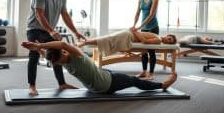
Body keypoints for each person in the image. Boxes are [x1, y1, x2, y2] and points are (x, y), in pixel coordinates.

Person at [21, 41, 177, 94]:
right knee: (133, 81)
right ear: (63, 51)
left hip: (93, 87)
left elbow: (49, 56)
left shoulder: (62, 62)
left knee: (109, 72)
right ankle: (162, 85)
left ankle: (130, 80)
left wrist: (37, 50)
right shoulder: (76, 56)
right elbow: (62, 44)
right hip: (106, 84)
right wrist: (39, 45)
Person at [26, 0, 86, 96]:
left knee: (57, 54)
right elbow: (39, 15)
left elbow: (65, 15)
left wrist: (75, 32)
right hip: (34, 28)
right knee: (34, 55)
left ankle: (62, 83)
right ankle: (32, 86)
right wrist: (51, 31)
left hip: (48, 30)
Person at [131, 0, 160, 80]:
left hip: (153, 27)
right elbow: (137, 13)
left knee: (151, 51)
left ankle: (151, 73)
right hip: (143, 28)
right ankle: (144, 71)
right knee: (143, 50)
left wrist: (139, 27)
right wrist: (134, 25)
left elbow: (151, 15)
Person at [77, 29, 177, 57]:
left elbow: (145, 41)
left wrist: (135, 31)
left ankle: (85, 43)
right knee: (108, 38)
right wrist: (134, 31)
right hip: (129, 33)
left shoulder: (159, 40)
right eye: (169, 38)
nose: (167, 40)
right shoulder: (158, 36)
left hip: (130, 36)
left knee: (108, 39)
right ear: (168, 35)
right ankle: (86, 42)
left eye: (169, 42)